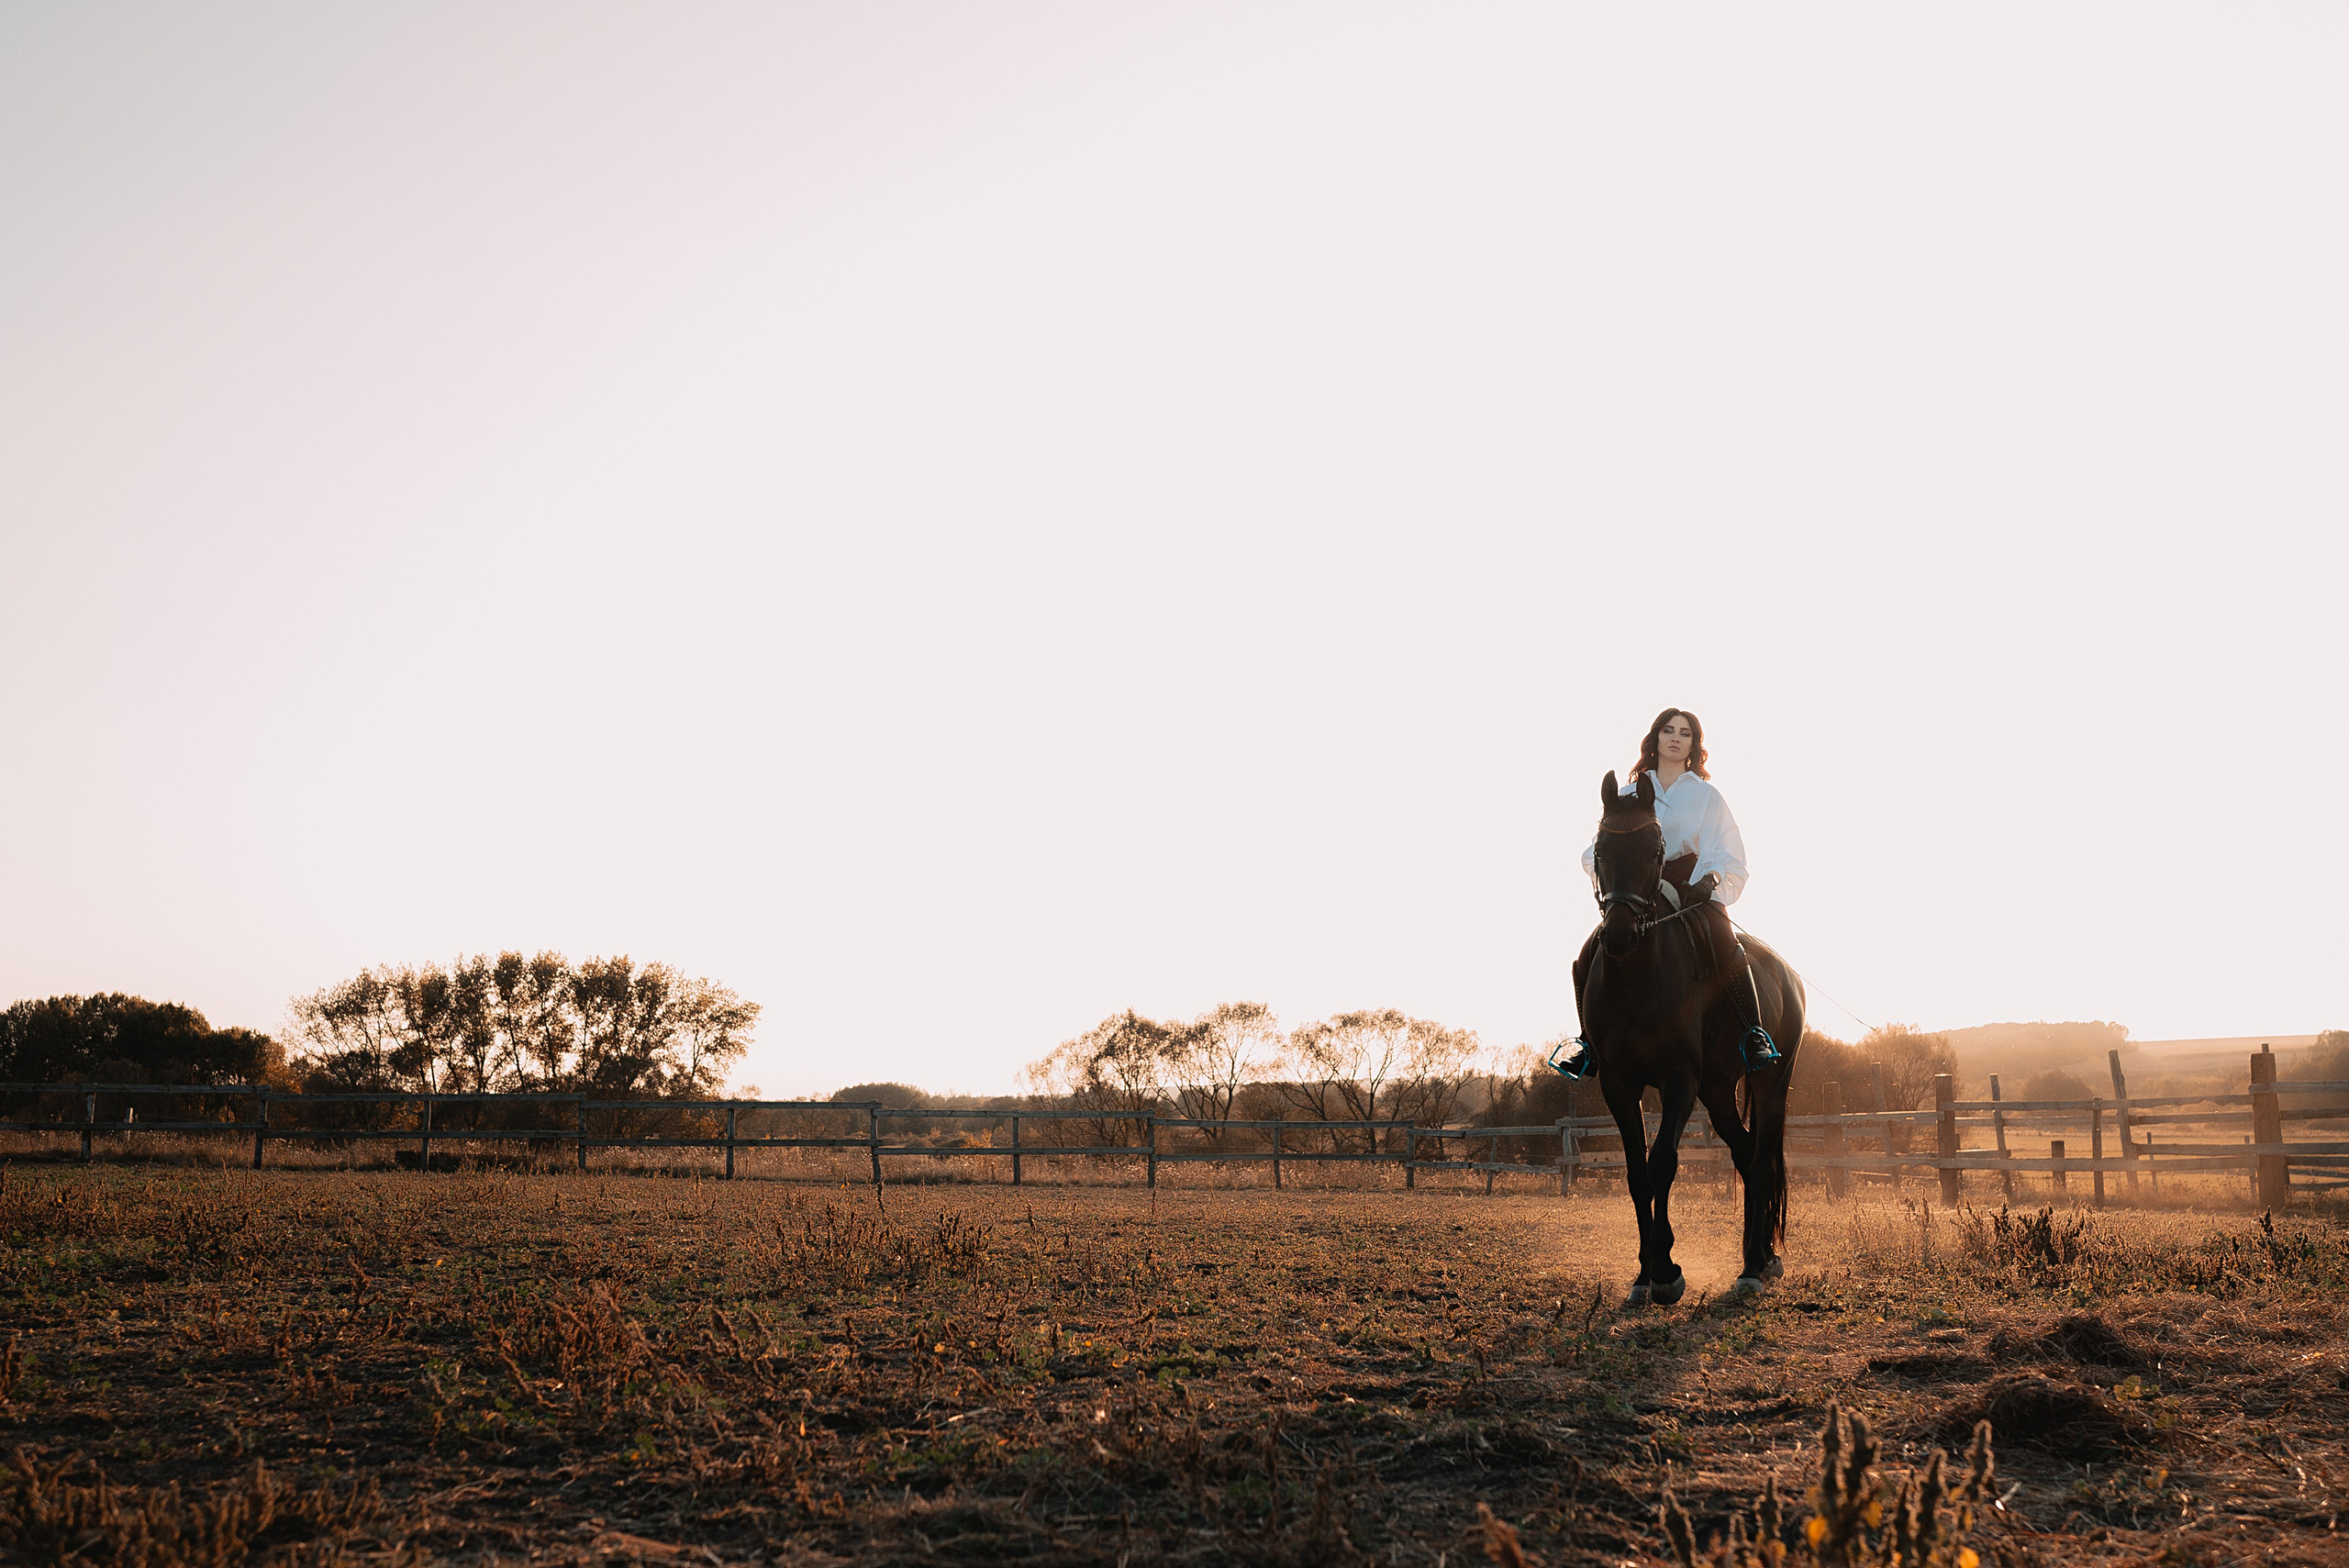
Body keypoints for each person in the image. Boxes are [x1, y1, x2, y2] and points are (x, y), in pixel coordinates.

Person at [1552, 707, 1784, 1079]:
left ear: (1694, 744)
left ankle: (1754, 1034)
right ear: (1655, 738)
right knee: (1586, 956)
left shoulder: (1706, 796)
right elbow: (1599, 848)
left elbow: (1725, 848)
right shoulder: (1628, 792)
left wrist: (1708, 881)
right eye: (1669, 731)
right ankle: (1587, 1045)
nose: (1676, 738)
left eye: (1685, 733)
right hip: (1639, 891)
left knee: (1728, 946)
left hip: (1691, 887)